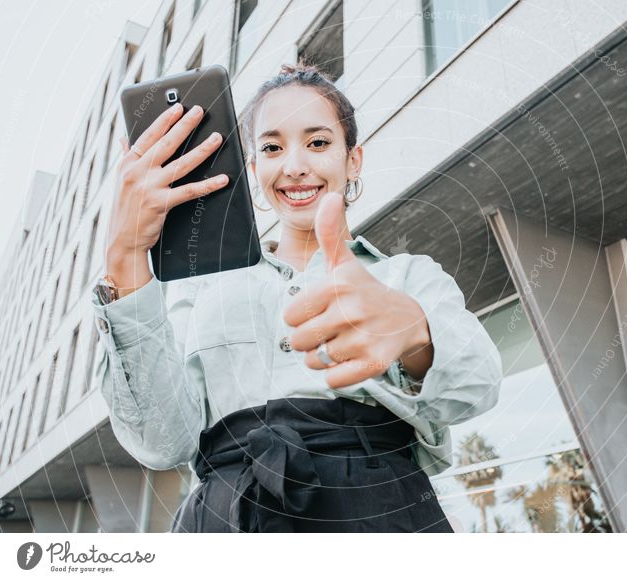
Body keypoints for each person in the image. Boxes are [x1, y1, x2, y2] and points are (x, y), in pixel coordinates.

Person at [91, 62, 502, 533]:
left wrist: (414, 337)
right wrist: (124, 259)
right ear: (253, 169)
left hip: (378, 515)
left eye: (318, 142)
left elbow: (478, 385)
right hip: (226, 523)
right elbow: (162, 442)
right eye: (271, 148)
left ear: (354, 160)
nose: (294, 166)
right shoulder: (200, 289)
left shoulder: (405, 275)